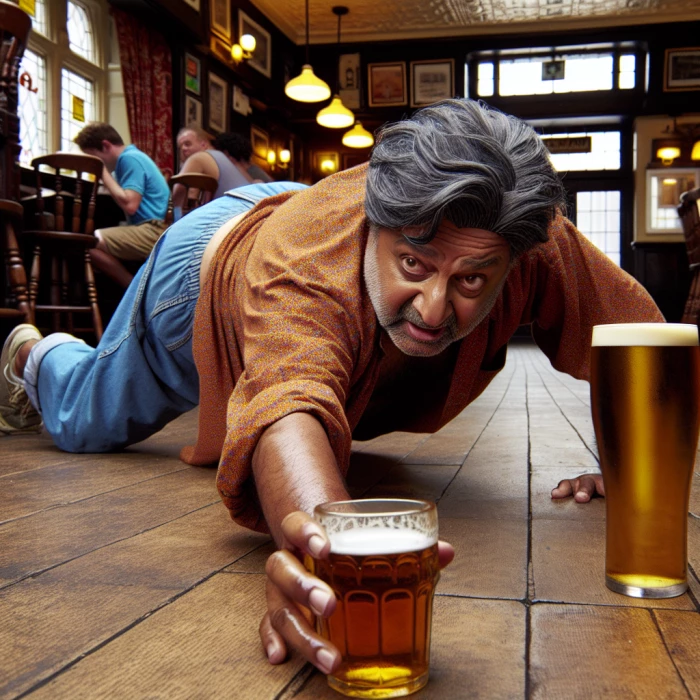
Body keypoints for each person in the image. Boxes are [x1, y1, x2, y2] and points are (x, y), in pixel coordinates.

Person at [1, 99, 664, 676]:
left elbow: (644, 342)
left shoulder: (524, 234)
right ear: (378, 225)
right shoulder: (307, 271)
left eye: (470, 280)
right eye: (413, 263)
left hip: (290, 202)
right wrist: (327, 563)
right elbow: (289, 407)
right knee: (84, 416)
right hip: (203, 271)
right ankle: (37, 353)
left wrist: (624, 458)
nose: (434, 310)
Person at [74, 122, 170, 288]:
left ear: (105, 145)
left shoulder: (129, 158)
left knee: (90, 243)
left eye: (94, 157)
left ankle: (134, 292)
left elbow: (130, 204)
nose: (94, 163)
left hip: (152, 231)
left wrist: (100, 170)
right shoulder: (133, 157)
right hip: (155, 228)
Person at [173, 126, 253, 214]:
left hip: (235, 217)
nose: (183, 149)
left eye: (187, 144)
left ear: (203, 144)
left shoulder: (198, 158)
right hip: (251, 214)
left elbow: (176, 197)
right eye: (180, 147)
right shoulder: (223, 158)